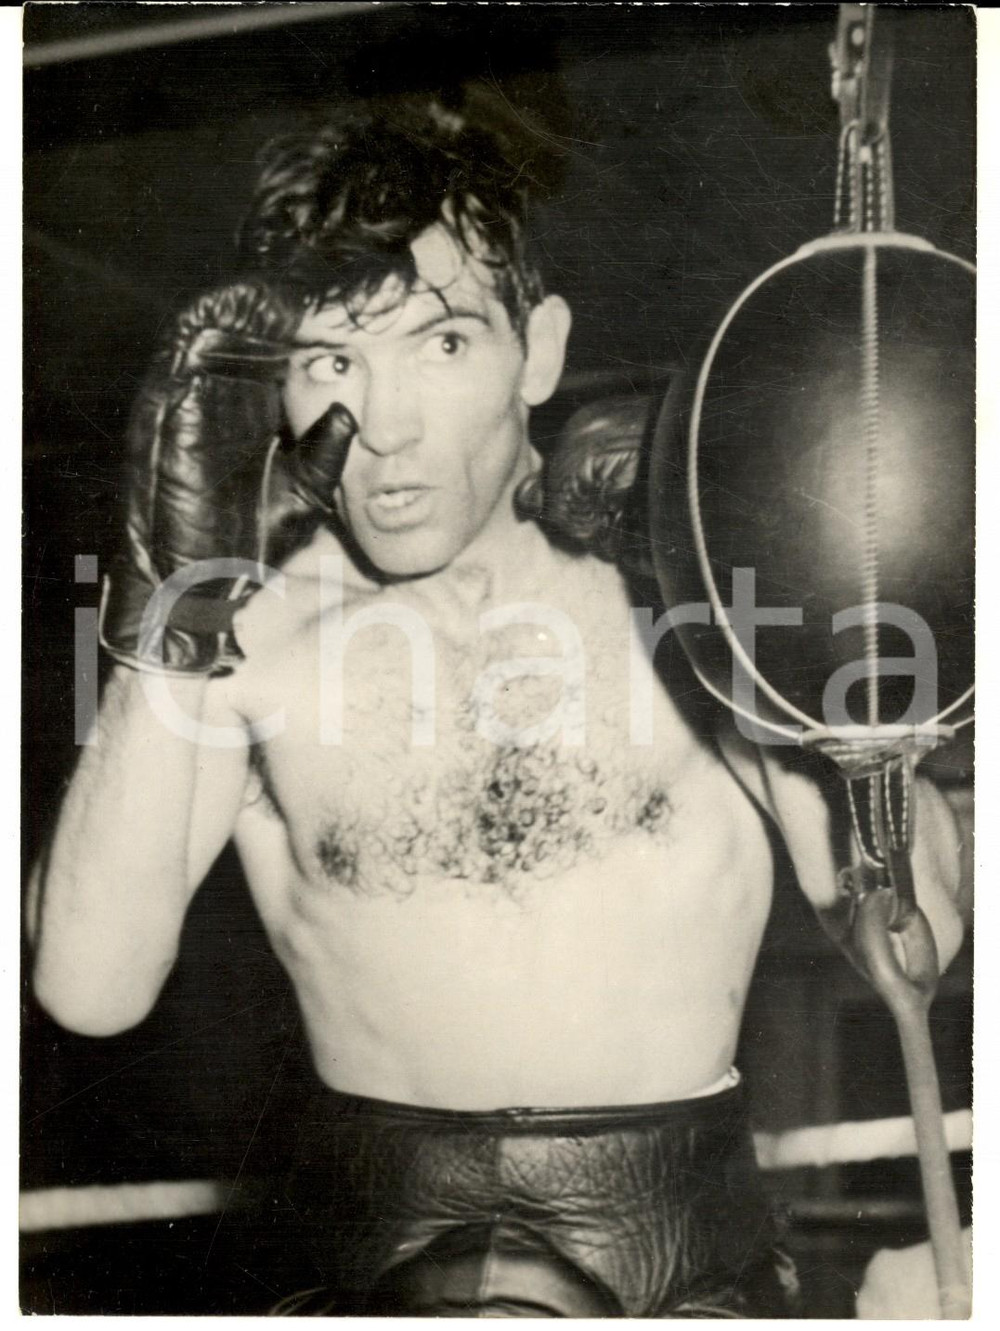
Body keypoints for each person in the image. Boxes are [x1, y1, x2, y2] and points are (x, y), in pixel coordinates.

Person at [26, 96, 967, 1317]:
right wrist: (168, 611)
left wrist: (767, 588)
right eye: (332, 360)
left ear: (540, 348)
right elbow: (88, 983)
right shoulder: (245, 636)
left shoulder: (681, 595)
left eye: (445, 343)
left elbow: (916, 937)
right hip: (376, 1256)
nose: (388, 427)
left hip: (683, 1263)